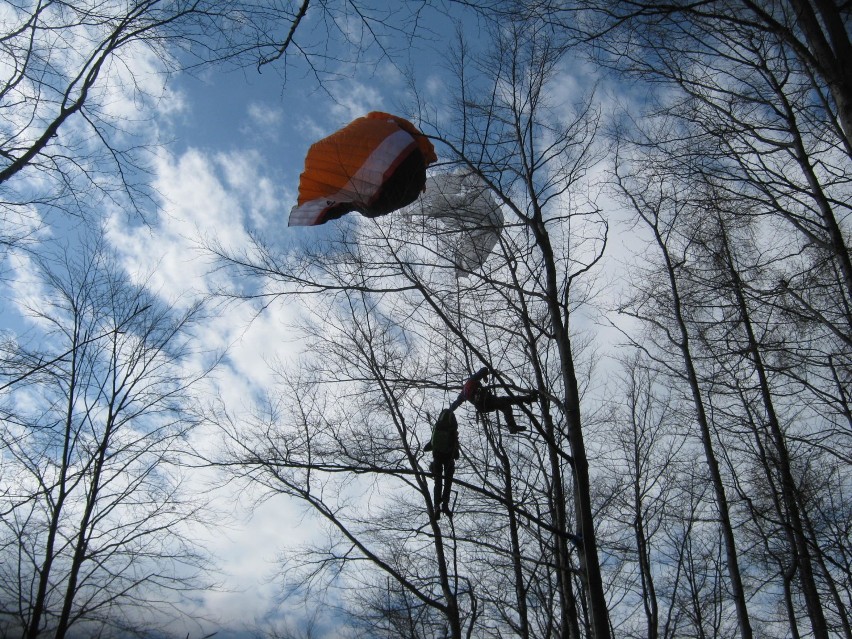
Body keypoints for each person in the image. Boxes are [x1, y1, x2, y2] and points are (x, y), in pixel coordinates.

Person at [449, 366, 536, 434]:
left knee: (506, 400)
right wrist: (485, 377)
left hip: (483, 406)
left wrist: (449, 411)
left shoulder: (463, 394)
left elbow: (455, 404)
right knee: (506, 406)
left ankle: (527, 399)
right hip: (487, 401)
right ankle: (512, 426)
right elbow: (484, 369)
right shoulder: (472, 380)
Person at [424, 408, 460, 520]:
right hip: (448, 458)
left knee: (438, 482)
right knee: (448, 481)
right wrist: (455, 453)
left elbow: (430, 445)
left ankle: (436, 507)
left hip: (437, 456)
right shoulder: (452, 428)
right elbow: (456, 450)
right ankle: (445, 504)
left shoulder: (437, 426)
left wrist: (429, 447)